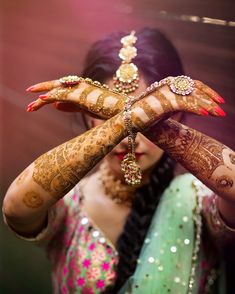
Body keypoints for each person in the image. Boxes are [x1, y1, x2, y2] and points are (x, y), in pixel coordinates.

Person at [2, 28, 235, 294]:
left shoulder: (199, 202)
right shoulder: (68, 206)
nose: (129, 140)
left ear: (178, 117)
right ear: (88, 116)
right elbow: (15, 208)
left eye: (156, 113)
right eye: (103, 112)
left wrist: (121, 109)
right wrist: (144, 110)